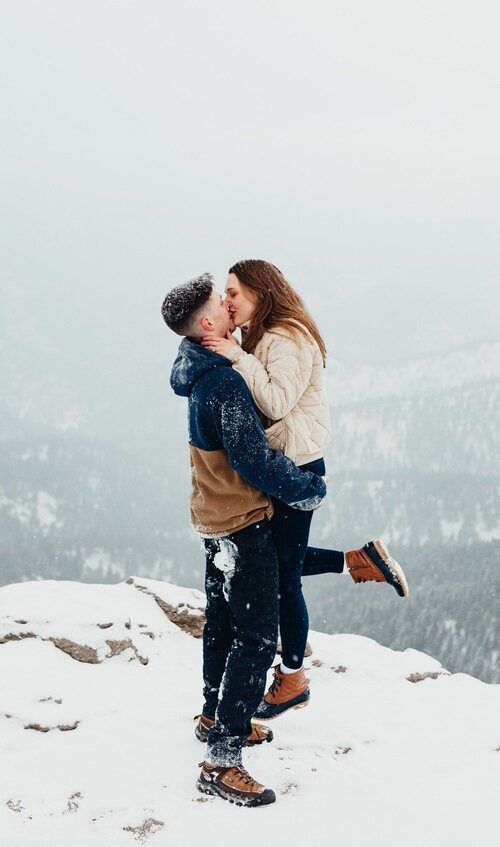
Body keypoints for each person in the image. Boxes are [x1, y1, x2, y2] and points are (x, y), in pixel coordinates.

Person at [201, 259, 409, 720]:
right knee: (276, 561)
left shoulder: (287, 337)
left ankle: (292, 679)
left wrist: (233, 354)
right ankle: (359, 561)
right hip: (282, 462)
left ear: (259, 291)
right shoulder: (265, 334)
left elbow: (275, 400)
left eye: (233, 292)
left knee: (282, 579)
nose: (227, 301)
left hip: (295, 466)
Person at [161, 273, 327, 808]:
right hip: (240, 522)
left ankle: (214, 716)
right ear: (208, 324)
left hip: (213, 520)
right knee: (256, 637)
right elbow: (252, 460)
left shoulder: (198, 367)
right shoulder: (226, 384)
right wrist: (306, 488)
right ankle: (223, 761)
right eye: (221, 301)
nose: (229, 305)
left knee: (223, 624)